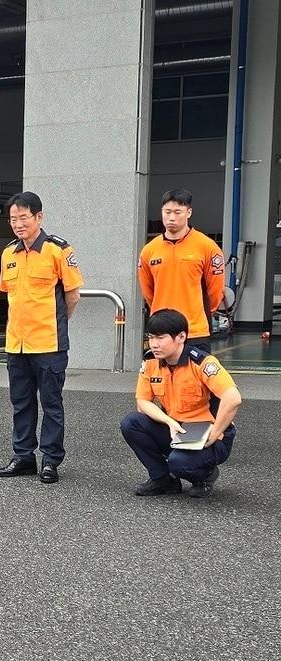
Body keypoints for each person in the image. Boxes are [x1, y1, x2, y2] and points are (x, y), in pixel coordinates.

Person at [0, 191, 83, 484]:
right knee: (20, 402)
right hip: (16, 342)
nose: (18, 224)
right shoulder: (9, 253)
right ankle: (23, 456)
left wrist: (57, 324)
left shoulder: (58, 250)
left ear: (39, 217)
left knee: (51, 403)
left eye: (23, 217)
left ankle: (50, 459)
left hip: (49, 343)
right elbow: (8, 295)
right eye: (13, 219)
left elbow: (72, 295)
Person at [121, 309, 240, 497]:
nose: (154, 344)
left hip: (210, 434)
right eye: (151, 338)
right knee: (131, 423)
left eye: (160, 338)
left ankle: (205, 474)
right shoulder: (151, 362)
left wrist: (215, 432)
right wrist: (169, 422)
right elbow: (142, 402)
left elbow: (233, 398)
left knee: (179, 463)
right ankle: (163, 480)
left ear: (181, 336)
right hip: (178, 428)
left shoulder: (202, 363)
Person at [137, 188, 224, 353]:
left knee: (195, 378)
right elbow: (148, 292)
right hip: (161, 332)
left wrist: (200, 313)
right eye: (167, 211)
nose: (171, 217)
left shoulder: (207, 247)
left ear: (189, 212)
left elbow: (215, 291)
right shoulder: (149, 250)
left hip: (195, 331)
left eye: (178, 212)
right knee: (161, 378)